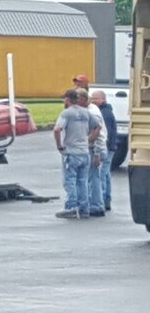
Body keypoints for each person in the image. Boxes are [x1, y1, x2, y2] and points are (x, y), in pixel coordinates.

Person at [53, 88, 100, 219]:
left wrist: (59, 145)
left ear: (68, 100)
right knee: (82, 181)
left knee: (70, 181)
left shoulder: (66, 113)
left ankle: (71, 207)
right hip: (84, 152)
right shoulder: (86, 113)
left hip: (71, 152)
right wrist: (89, 139)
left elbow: (57, 129)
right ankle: (84, 208)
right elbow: (97, 126)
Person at [79, 89, 109, 217]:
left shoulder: (92, 112)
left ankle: (96, 206)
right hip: (93, 149)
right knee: (93, 177)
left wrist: (97, 154)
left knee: (94, 177)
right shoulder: (89, 110)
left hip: (95, 149)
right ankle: (95, 204)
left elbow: (99, 135)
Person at [91, 89, 119, 211]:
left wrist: (102, 150)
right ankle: (107, 200)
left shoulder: (105, 114)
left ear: (103, 99)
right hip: (111, 147)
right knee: (106, 174)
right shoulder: (106, 111)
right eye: (92, 98)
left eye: (96, 98)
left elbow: (104, 133)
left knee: (101, 174)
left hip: (107, 148)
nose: (93, 101)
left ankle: (100, 201)